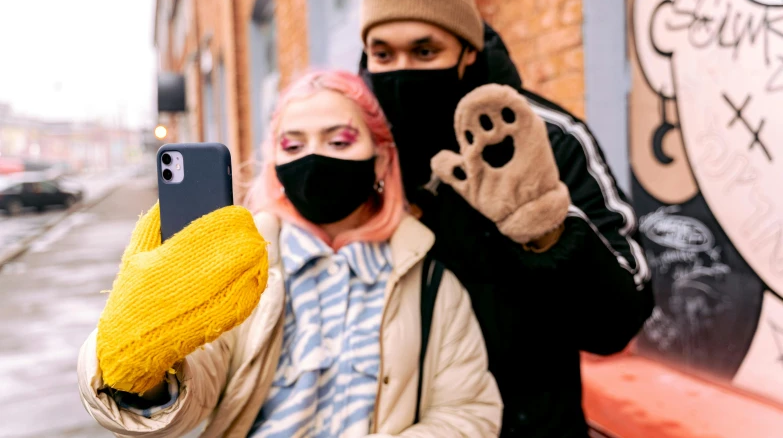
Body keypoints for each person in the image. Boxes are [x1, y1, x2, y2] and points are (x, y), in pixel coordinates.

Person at [77, 70, 502, 438]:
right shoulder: (238, 268)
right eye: (293, 146)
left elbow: (469, 414)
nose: (314, 159)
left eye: (339, 140)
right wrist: (138, 368)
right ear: (274, 162)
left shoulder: (431, 285)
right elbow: (193, 387)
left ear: (380, 160)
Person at [358, 0, 655, 437]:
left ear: (467, 51)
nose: (401, 72)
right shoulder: (359, 147)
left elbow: (619, 320)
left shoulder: (541, 139)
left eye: (425, 50)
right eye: (382, 55)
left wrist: (547, 233)